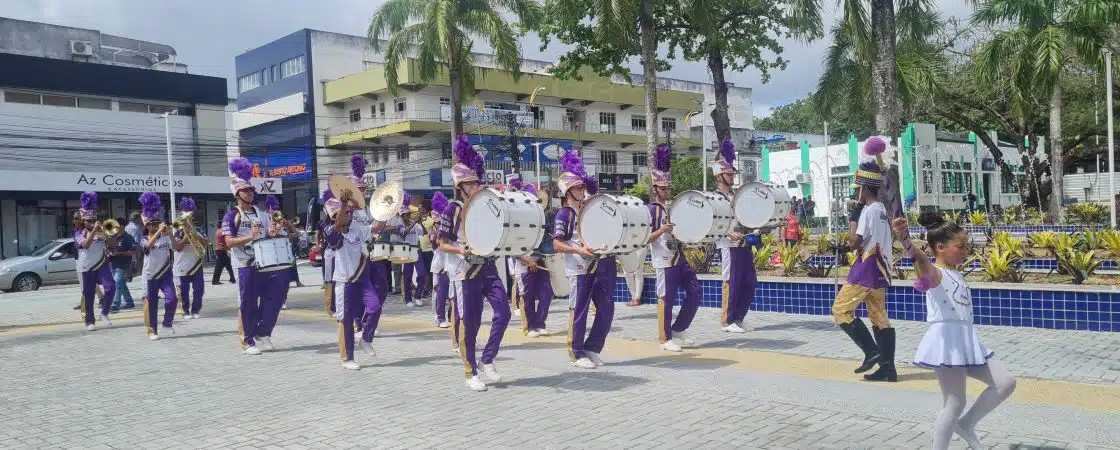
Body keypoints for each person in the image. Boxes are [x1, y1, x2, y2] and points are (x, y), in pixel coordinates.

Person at [895, 213, 1016, 450]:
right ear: (940, 248)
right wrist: (905, 240)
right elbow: (921, 261)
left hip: (966, 343)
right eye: (960, 246)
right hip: (947, 343)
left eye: (966, 246)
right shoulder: (935, 272)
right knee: (954, 402)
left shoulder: (956, 272)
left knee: (1005, 382)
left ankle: (967, 425)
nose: (965, 251)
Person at [440, 135, 510, 392]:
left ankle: (487, 358)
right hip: (464, 270)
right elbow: (441, 242)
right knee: (470, 323)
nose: (476, 186)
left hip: (488, 267)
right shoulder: (452, 209)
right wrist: (461, 249)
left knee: (503, 314)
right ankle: (470, 371)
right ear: (461, 186)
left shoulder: (486, 207)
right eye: (471, 183)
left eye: (477, 182)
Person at [833, 160, 897, 382]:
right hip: (881, 269)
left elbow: (855, 242)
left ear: (865, 188)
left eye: (856, 189)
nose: (855, 194)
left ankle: (872, 352)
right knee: (879, 317)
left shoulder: (869, 210)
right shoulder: (882, 211)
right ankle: (888, 369)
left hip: (866, 268)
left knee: (840, 310)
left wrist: (851, 226)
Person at [223, 158, 291, 355]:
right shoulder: (231, 216)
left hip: (265, 263)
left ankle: (264, 333)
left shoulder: (261, 214)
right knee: (248, 303)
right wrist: (249, 237)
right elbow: (228, 242)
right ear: (237, 194)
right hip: (245, 264)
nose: (251, 193)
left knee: (276, 297)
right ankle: (248, 341)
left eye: (252, 190)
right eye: (246, 190)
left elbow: (268, 234)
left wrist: (275, 229)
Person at [553, 151, 614, 368]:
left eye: (582, 187)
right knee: (579, 312)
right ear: (568, 191)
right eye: (579, 188)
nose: (583, 190)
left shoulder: (587, 211)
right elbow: (557, 244)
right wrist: (579, 251)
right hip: (578, 269)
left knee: (607, 309)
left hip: (597, 265)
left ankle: (592, 348)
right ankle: (576, 352)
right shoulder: (564, 214)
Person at [647, 144, 701, 352]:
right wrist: (662, 230)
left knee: (695, 292)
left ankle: (679, 329)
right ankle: (665, 338)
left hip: (680, 258)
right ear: (655, 189)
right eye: (663, 188)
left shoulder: (672, 207)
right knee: (666, 299)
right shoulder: (652, 210)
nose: (667, 191)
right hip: (664, 260)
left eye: (668, 188)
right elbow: (645, 239)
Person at [325, 187, 384, 370]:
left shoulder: (357, 228)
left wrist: (386, 211)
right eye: (344, 213)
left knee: (375, 307)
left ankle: (366, 338)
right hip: (345, 282)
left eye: (350, 212)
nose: (348, 215)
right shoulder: (331, 231)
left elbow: (376, 227)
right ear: (335, 216)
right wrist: (343, 204)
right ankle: (347, 358)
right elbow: (336, 228)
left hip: (363, 279)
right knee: (346, 320)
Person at [711, 139, 763, 333]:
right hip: (728, 245)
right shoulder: (714, 198)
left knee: (749, 282)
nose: (732, 177)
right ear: (718, 176)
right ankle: (727, 320)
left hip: (743, 244)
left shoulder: (735, 196)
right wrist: (727, 233)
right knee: (731, 282)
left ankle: (739, 317)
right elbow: (711, 224)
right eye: (728, 174)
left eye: (732, 173)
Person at [508, 179, 554, 338]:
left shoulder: (541, 219)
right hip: (524, 262)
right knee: (526, 296)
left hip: (541, 261)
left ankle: (540, 323)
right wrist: (527, 260)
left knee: (546, 293)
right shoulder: (515, 220)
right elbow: (511, 245)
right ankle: (528, 327)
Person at [74, 192, 117, 331]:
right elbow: (85, 245)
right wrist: (93, 231)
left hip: (102, 264)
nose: (92, 223)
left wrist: (106, 234)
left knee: (111, 287)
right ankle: (89, 321)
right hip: (86, 266)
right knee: (89, 294)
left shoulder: (101, 231)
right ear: (83, 221)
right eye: (89, 221)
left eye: (94, 220)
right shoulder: (79, 233)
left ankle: (104, 313)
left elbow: (112, 244)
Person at [138, 192, 177, 340]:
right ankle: (152, 330)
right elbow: (148, 246)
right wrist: (159, 231)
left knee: (172, 299)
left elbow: (176, 247)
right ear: (147, 226)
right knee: (151, 303)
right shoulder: (143, 239)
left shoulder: (166, 237)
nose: (156, 225)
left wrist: (171, 234)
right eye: (153, 224)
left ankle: (167, 323)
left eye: (157, 223)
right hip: (150, 275)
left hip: (165, 272)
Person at [173, 197, 206, 319]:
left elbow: (206, 242)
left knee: (199, 289)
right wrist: (187, 236)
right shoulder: (177, 232)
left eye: (190, 218)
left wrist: (196, 237)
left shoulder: (198, 230)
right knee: (183, 290)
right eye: (187, 219)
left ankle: (196, 310)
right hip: (182, 265)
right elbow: (178, 247)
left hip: (196, 264)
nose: (189, 221)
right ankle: (185, 310)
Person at [429, 192, 452, 329]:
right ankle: (440, 317)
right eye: (438, 223)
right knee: (440, 295)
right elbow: (438, 242)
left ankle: (450, 317)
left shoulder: (447, 233)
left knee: (451, 295)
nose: (440, 225)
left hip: (449, 266)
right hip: (439, 268)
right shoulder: (433, 234)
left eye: (441, 222)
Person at [108, 216, 136, 312]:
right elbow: (109, 248)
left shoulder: (128, 238)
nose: (114, 227)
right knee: (121, 283)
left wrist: (119, 253)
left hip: (123, 264)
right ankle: (129, 302)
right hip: (113, 263)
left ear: (122, 226)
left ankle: (115, 304)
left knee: (117, 282)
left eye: (117, 225)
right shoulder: (113, 237)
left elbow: (133, 252)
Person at [211, 220, 236, 285]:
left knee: (229, 265)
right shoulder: (222, 231)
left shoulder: (218, 231)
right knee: (219, 267)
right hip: (221, 251)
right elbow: (228, 239)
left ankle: (232, 278)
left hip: (222, 250)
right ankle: (215, 281)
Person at [124, 212, 144, 281]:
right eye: (140, 218)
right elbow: (136, 242)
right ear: (137, 218)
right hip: (134, 251)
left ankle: (128, 276)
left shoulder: (127, 227)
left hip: (127, 249)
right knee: (137, 269)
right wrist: (138, 254)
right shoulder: (136, 228)